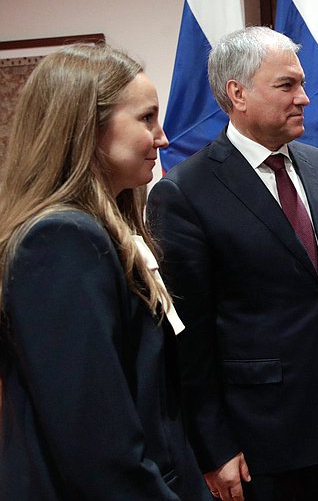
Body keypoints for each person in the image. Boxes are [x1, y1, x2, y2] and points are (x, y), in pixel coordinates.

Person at [147, 26, 318, 501]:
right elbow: (189, 339)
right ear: (238, 93)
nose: (305, 98)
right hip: (257, 435)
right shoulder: (184, 193)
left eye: (301, 83)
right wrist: (214, 448)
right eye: (287, 86)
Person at [0, 44, 208, 500]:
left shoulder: (103, 228)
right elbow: (96, 442)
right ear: (86, 129)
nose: (164, 137)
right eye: (147, 118)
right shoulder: (59, 240)